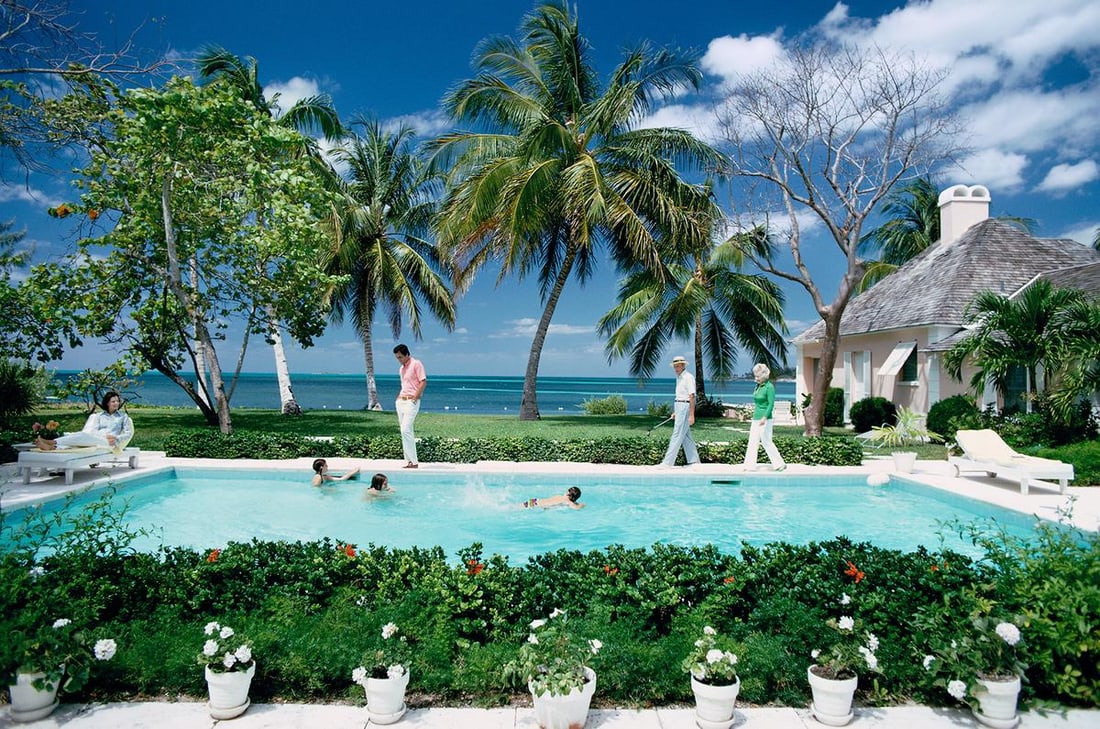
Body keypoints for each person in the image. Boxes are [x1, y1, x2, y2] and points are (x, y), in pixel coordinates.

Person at [55, 391, 134, 454]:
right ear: (107, 403)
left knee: (81, 435)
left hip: (109, 442)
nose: (116, 403)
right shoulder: (99, 416)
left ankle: (53, 442)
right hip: (98, 438)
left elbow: (128, 433)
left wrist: (116, 438)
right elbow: (94, 430)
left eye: (117, 401)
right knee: (80, 435)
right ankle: (54, 443)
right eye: (113, 401)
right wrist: (101, 436)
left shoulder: (123, 416)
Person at [743, 363, 787, 472]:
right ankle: (749, 466)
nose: (756, 378)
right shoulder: (758, 386)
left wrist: (764, 417)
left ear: (763, 376)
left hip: (765, 419)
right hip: (755, 418)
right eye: (755, 376)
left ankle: (779, 464)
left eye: (758, 376)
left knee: (766, 441)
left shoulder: (769, 387)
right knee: (752, 441)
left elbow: (770, 404)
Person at [659, 355, 700, 467]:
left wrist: (691, 415)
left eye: (677, 366)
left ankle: (667, 463)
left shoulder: (688, 377)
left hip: (685, 406)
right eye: (674, 366)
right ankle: (694, 461)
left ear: (683, 365)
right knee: (686, 435)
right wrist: (676, 411)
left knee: (677, 434)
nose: (675, 368)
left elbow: (691, 396)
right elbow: (680, 396)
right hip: (679, 405)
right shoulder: (679, 377)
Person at [393, 343, 426, 469]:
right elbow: (405, 385)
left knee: (405, 429)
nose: (399, 360)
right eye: (397, 358)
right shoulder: (401, 369)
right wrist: (398, 398)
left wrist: (415, 398)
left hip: (411, 402)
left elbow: (423, 381)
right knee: (406, 432)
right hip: (401, 401)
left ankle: (414, 462)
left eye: (400, 357)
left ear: (407, 354)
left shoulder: (416, 364)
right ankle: (409, 461)